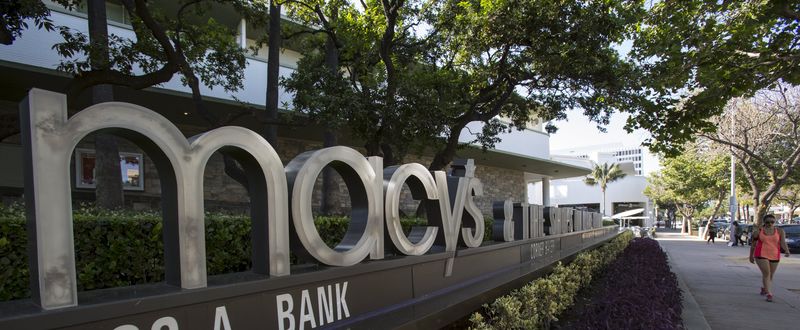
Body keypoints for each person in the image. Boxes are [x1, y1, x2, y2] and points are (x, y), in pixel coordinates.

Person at [749, 214, 791, 302]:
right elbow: (753, 245)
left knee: (771, 274)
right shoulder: (758, 231)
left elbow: (783, 242)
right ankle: (769, 294)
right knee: (767, 273)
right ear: (764, 222)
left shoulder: (779, 231)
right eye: (767, 222)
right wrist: (751, 256)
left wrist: (787, 251)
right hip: (761, 254)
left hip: (775, 254)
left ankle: (764, 288)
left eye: (772, 222)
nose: (770, 224)